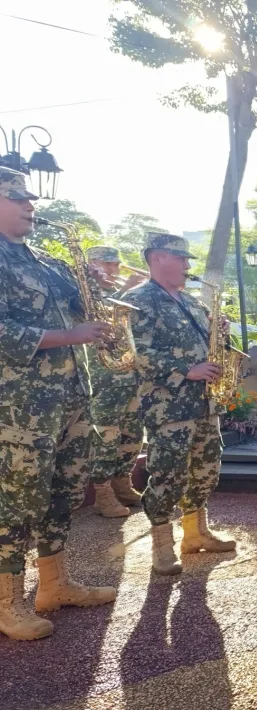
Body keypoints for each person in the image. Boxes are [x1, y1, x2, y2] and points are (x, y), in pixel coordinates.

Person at [0, 167, 118, 641]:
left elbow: (84, 308)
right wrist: (70, 335)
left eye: (31, 198)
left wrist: (93, 286)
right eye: (18, 198)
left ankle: (54, 585)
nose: (31, 206)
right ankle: (9, 603)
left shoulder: (43, 260)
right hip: (19, 407)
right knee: (16, 500)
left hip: (69, 396)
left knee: (64, 491)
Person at [124, 232, 236, 576]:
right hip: (168, 407)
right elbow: (135, 353)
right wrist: (187, 370)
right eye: (182, 258)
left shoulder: (192, 302)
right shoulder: (137, 300)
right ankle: (161, 546)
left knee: (204, 470)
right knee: (167, 474)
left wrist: (222, 333)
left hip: (204, 404)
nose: (188, 265)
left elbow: (213, 346)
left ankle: (195, 533)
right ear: (158, 258)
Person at [85, 245, 147, 518]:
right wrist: (126, 291)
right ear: (93, 264)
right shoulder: (86, 290)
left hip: (129, 372)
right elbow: (103, 322)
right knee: (106, 433)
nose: (114, 270)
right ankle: (102, 492)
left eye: (116, 264)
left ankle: (123, 481)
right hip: (105, 374)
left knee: (133, 433)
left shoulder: (116, 291)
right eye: (108, 264)